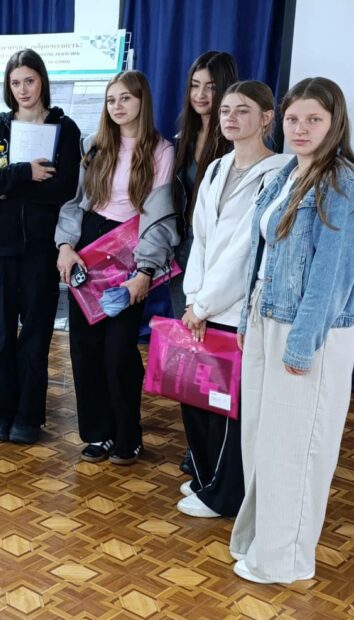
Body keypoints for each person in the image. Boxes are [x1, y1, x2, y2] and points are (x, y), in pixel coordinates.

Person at [231, 77, 354, 585]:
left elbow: (331, 275)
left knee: (295, 449)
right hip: (267, 314)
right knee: (262, 441)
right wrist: (247, 319)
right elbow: (259, 255)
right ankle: (262, 542)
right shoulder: (287, 172)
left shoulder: (341, 181)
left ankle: (284, 561)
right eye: (293, 119)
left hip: (308, 329)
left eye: (314, 119)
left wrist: (302, 345)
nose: (301, 128)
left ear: (335, 123)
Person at [178, 81, 289, 518]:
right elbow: (201, 239)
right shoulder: (216, 168)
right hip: (202, 306)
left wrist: (203, 305)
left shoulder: (278, 173)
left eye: (242, 110)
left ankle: (225, 496)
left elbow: (245, 250)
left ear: (266, 118)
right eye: (226, 110)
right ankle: (205, 479)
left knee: (227, 409)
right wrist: (193, 298)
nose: (230, 118)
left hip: (235, 310)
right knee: (195, 399)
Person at [55, 70, 177, 465]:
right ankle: (98, 433)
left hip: (129, 249)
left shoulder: (161, 150)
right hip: (88, 248)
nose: (117, 106)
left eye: (125, 98)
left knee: (118, 351)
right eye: (111, 100)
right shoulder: (93, 145)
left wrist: (145, 271)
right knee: (84, 347)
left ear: (142, 101)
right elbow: (76, 202)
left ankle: (127, 434)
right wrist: (65, 246)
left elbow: (158, 216)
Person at [0, 49, 81, 444]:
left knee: (35, 337)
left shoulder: (65, 129)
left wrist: (6, 190)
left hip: (40, 253)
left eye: (29, 80)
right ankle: (1, 412)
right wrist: (24, 173)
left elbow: (63, 188)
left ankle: (29, 416)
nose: (23, 89)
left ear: (42, 81)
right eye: (15, 83)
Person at [168, 51, 238, 477]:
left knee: (217, 358)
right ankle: (195, 446)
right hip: (183, 257)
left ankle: (217, 451)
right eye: (195, 86)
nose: (201, 95)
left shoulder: (234, 141)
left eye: (211, 87)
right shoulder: (182, 137)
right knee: (190, 355)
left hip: (219, 259)